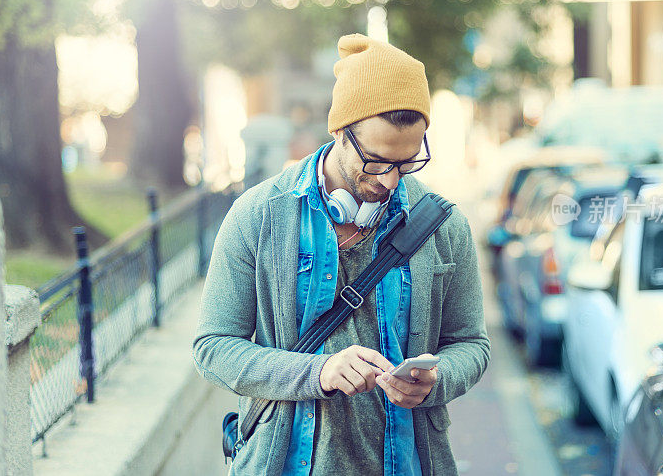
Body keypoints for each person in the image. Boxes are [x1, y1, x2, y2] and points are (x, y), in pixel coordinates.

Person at [193, 33, 489, 475]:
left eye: (407, 163)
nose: (390, 182)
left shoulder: (445, 226)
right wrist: (319, 372)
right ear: (338, 132)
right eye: (376, 161)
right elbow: (213, 348)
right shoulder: (258, 216)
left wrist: (436, 380)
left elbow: (472, 345)